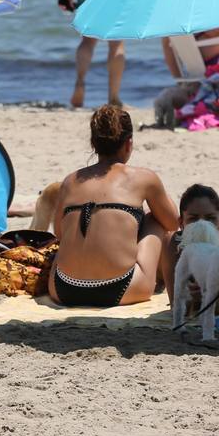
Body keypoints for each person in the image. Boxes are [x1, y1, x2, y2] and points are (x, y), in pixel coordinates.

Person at [45, 105, 177, 307]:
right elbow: (172, 223)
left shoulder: (70, 180)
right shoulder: (143, 177)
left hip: (62, 288)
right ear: (128, 143)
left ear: (93, 143)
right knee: (155, 220)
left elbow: (60, 234)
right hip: (120, 289)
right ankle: (159, 281)